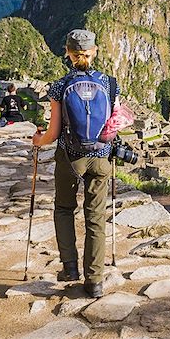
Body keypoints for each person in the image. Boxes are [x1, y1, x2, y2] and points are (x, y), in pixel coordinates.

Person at [32, 29, 119, 299]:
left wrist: (38, 141)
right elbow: (114, 125)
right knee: (95, 218)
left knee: (63, 208)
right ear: (94, 52)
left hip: (70, 158)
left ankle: (69, 268)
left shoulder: (60, 85)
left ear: (68, 53)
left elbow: (53, 132)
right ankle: (94, 281)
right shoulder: (110, 84)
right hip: (101, 157)